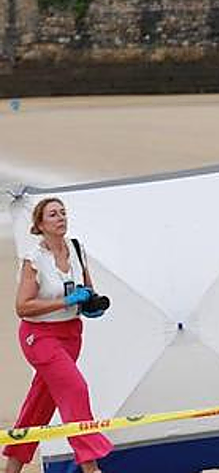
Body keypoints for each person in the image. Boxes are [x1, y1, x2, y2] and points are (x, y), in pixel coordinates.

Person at [4, 197, 111, 473]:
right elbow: (22, 306)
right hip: (39, 336)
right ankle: (91, 468)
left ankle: (11, 468)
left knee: (39, 405)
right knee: (76, 389)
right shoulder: (34, 259)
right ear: (40, 224)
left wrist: (91, 305)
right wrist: (64, 302)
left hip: (70, 334)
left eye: (63, 213)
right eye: (53, 214)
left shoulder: (77, 248)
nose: (61, 217)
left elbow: (88, 290)